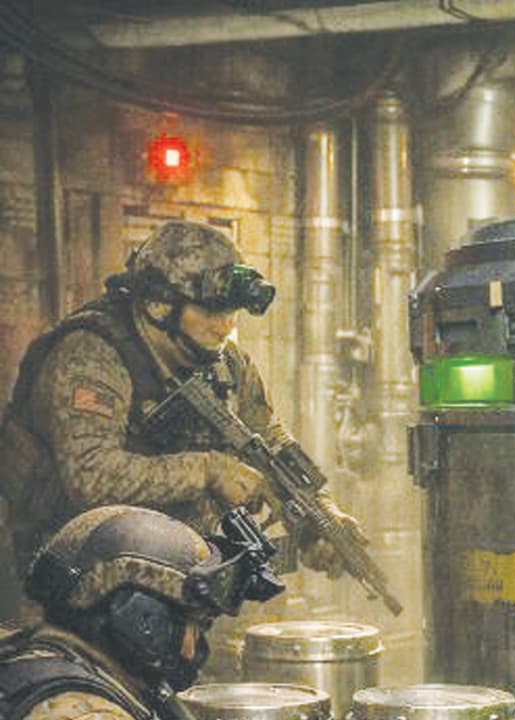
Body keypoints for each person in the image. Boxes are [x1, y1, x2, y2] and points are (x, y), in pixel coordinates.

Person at [0, 220, 361, 614]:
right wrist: (208, 471)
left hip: (179, 583)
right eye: (210, 310)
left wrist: (320, 516)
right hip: (72, 589)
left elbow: (270, 443)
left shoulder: (227, 363)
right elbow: (91, 476)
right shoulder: (91, 355)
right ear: (159, 305)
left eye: (232, 311)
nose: (226, 325)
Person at [0, 504, 284, 719]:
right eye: (192, 624)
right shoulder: (89, 713)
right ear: (140, 618)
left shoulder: (27, 656)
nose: (190, 650)